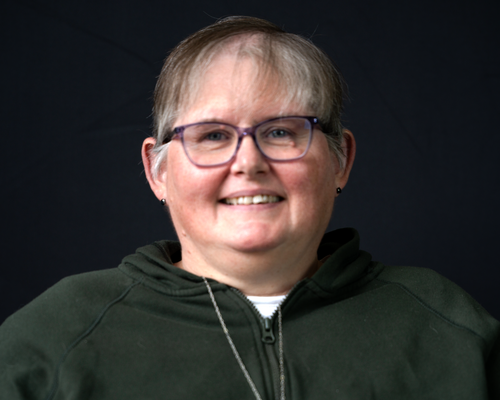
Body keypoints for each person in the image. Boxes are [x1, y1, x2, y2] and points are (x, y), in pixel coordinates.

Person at [1, 16, 499, 400]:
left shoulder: (450, 329)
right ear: (158, 171)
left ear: (340, 160)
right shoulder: (53, 338)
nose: (248, 162)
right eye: (212, 136)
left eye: (281, 131)